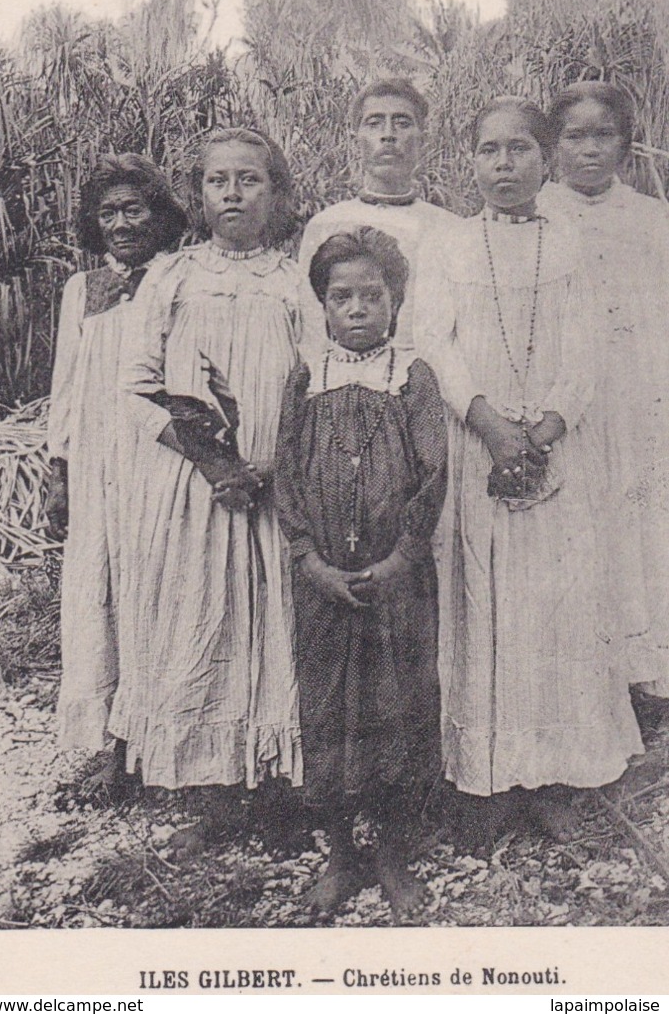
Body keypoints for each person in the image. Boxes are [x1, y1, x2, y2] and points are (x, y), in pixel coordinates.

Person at [414, 97, 643, 847]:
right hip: (476, 444)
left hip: (557, 452)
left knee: (556, 610)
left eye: (519, 149)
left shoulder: (569, 242)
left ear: (544, 160)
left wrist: (542, 429)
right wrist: (488, 424)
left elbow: (589, 350)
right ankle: (486, 782)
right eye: (488, 150)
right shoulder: (448, 246)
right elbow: (435, 344)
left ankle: (556, 777)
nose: (504, 164)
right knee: (482, 607)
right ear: (469, 159)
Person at [113, 128, 302, 853]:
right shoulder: (172, 277)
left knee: (272, 626)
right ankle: (214, 796)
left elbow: (311, 382)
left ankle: (278, 791)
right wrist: (211, 461)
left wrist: (272, 466)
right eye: (218, 181)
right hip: (195, 489)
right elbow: (134, 390)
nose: (233, 193)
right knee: (204, 621)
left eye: (249, 180)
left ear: (275, 193)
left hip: (271, 489)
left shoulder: (291, 282)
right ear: (197, 196)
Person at [275, 227, 446, 922]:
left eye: (370, 295)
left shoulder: (412, 376)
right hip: (323, 583)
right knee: (327, 709)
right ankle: (341, 852)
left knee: (395, 704)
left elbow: (432, 473)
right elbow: (285, 477)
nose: (355, 308)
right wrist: (310, 561)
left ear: (395, 301)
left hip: (396, 580)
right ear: (320, 305)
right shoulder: (303, 378)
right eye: (339, 296)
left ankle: (393, 852)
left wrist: (399, 557)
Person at [45, 154, 188, 788]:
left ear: (160, 216)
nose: (123, 223)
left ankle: (164, 738)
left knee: (157, 589)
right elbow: (68, 385)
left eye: (135, 209)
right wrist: (59, 465)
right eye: (109, 213)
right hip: (98, 463)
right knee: (98, 591)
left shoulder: (179, 278)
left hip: (158, 457)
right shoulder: (82, 289)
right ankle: (114, 748)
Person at [539, 82, 669, 718]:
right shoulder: (535, 213)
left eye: (603, 136)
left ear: (623, 142)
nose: (589, 150)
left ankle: (647, 676)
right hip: (568, 400)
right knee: (581, 529)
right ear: (554, 145)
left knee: (642, 523)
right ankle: (590, 681)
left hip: (640, 392)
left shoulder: (650, 217)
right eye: (574, 136)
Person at [298, 78, 457, 356]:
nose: (388, 135)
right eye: (374, 123)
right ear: (355, 138)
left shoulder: (449, 228)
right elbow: (313, 330)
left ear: (424, 137)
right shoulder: (325, 225)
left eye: (402, 122)